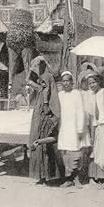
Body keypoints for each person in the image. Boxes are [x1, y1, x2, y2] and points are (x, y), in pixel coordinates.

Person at [28, 56, 63, 185]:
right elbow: (42, 89)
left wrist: (46, 104)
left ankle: (48, 176)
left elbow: (47, 89)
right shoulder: (42, 76)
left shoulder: (46, 76)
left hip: (45, 111)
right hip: (40, 110)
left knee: (46, 142)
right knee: (39, 140)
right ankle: (41, 175)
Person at [58, 71, 85, 188]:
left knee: (75, 154)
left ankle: (77, 178)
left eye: (68, 80)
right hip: (63, 129)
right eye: (63, 81)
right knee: (65, 154)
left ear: (72, 82)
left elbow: (80, 112)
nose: (66, 83)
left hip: (74, 129)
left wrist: (79, 129)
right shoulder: (60, 95)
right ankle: (68, 179)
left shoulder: (76, 94)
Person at [77, 70, 96, 184]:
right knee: (79, 152)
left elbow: (92, 113)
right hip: (80, 126)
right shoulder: (77, 93)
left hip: (90, 125)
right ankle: (78, 177)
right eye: (83, 81)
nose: (85, 84)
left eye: (87, 82)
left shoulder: (92, 94)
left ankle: (89, 176)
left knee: (89, 152)